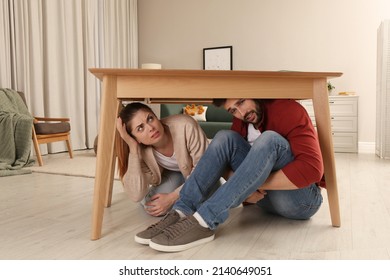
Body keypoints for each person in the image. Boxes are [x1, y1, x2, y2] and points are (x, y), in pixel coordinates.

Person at [135, 98, 324, 252]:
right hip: (261, 202)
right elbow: (225, 160)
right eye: (233, 110)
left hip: (301, 201)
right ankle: (181, 210)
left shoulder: (288, 109)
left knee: (270, 140)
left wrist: (249, 184)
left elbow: (313, 169)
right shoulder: (242, 121)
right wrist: (245, 185)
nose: (241, 113)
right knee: (224, 137)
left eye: (241, 102)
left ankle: (205, 220)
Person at [116, 102, 210, 221]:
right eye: (140, 128)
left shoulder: (185, 125)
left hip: (200, 173)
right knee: (155, 208)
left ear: (156, 116)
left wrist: (173, 197)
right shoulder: (140, 149)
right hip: (173, 175)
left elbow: (205, 170)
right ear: (136, 139)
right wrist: (133, 148)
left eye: (150, 119)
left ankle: (182, 199)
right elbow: (135, 195)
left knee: (208, 202)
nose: (151, 128)